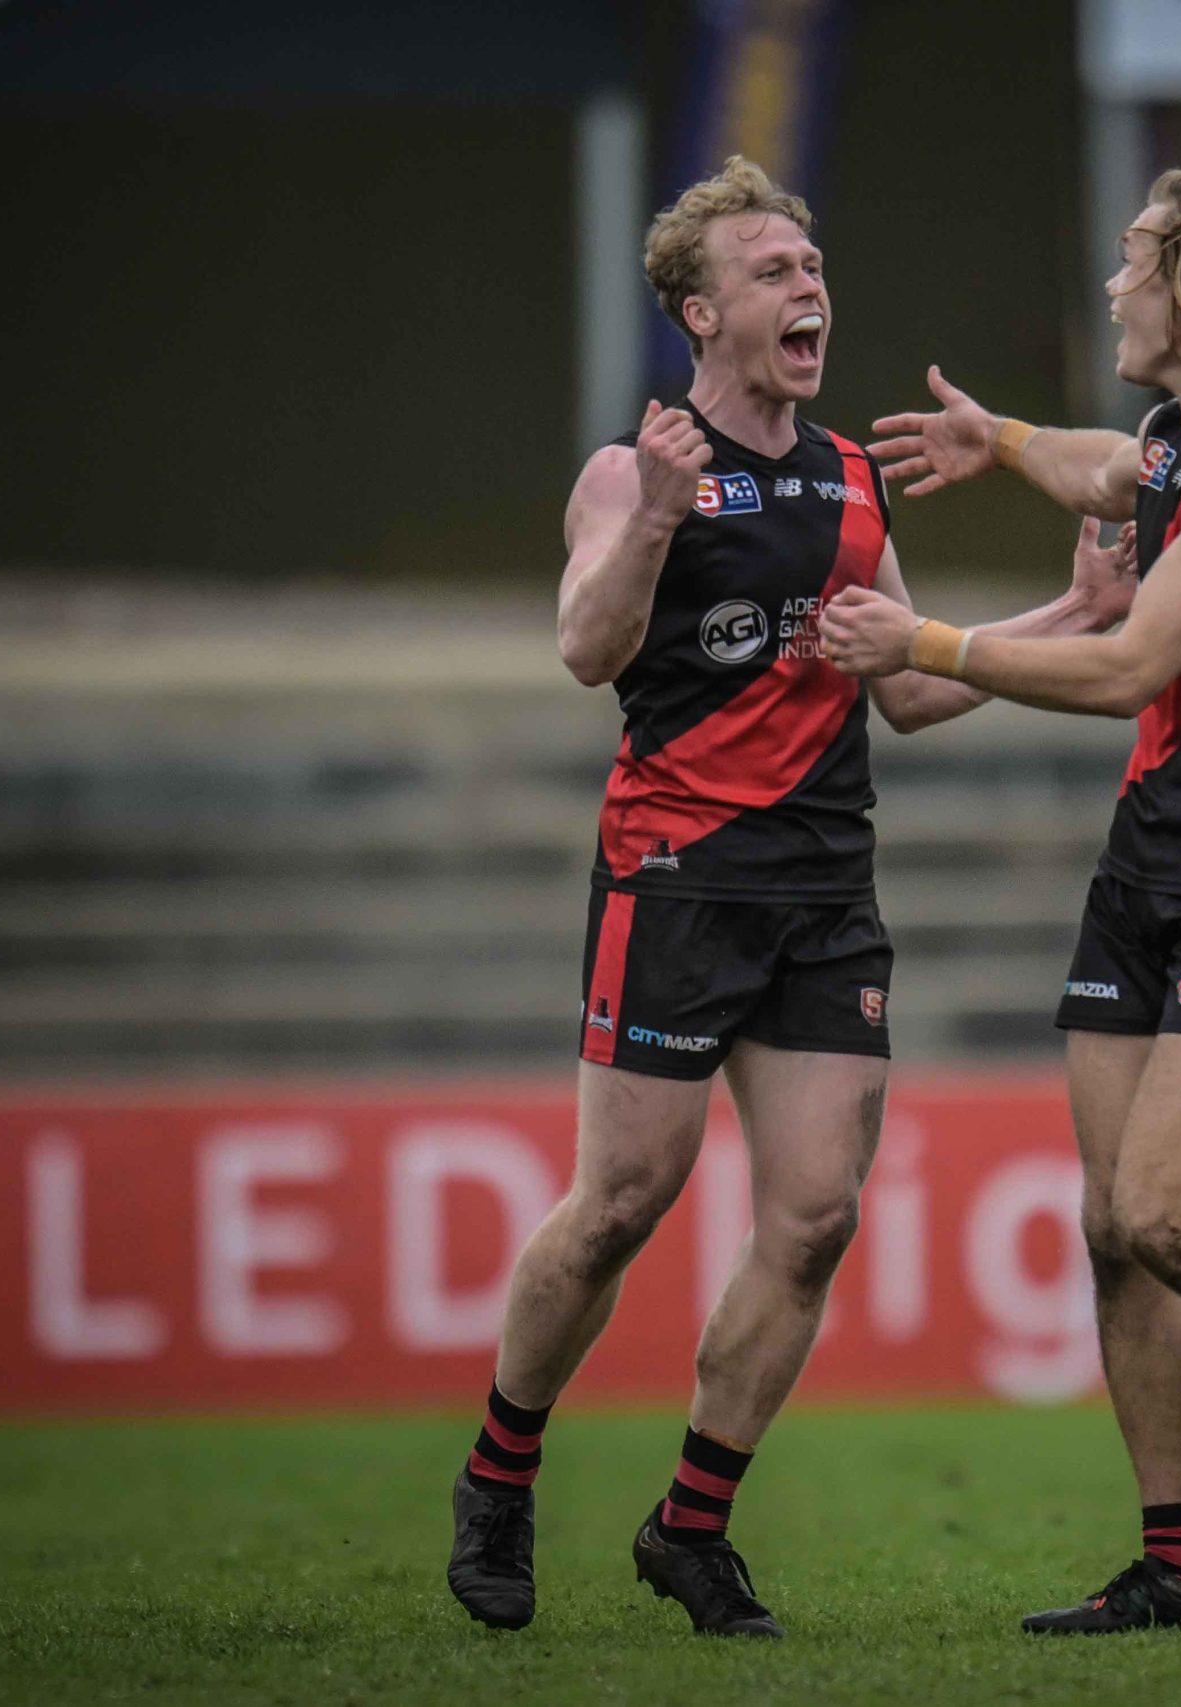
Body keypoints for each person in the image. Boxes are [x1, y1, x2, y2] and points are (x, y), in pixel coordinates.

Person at [444, 155, 1136, 1640]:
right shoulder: (636, 469)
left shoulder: (847, 481)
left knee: (814, 1220)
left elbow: (904, 693)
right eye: (771, 272)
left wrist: (1069, 616)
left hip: (826, 888)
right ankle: (501, 1470)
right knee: (623, 1203)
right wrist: (655, 519)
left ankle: (691, 1526)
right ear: (700, 311)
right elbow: (582, 650)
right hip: (676, 875)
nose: (806, 288)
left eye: (811, 269)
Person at [822, 166, 1181, 1634]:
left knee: (1160, 1213)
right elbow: (1108, 470)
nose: (1112, 282)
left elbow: (1129, 665)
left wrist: (931, 639)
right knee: (1106, 1226)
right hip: (1149, 863)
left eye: (1136, 259)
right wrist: (1001, 439)